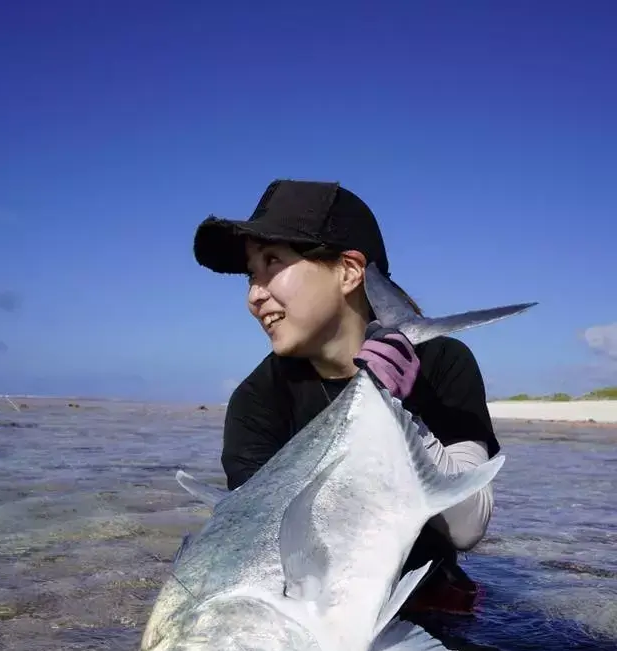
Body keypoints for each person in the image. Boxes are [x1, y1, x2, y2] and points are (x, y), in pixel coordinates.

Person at [192, 179, 501, 615]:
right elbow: (261, 550)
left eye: (272, 263)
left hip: (431, 606)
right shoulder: (256, 401)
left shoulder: (441, 363)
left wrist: (403, 413)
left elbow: (467, 528)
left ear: (349, 271)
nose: (254, 296)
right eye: (250, 275)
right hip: (325, 615)